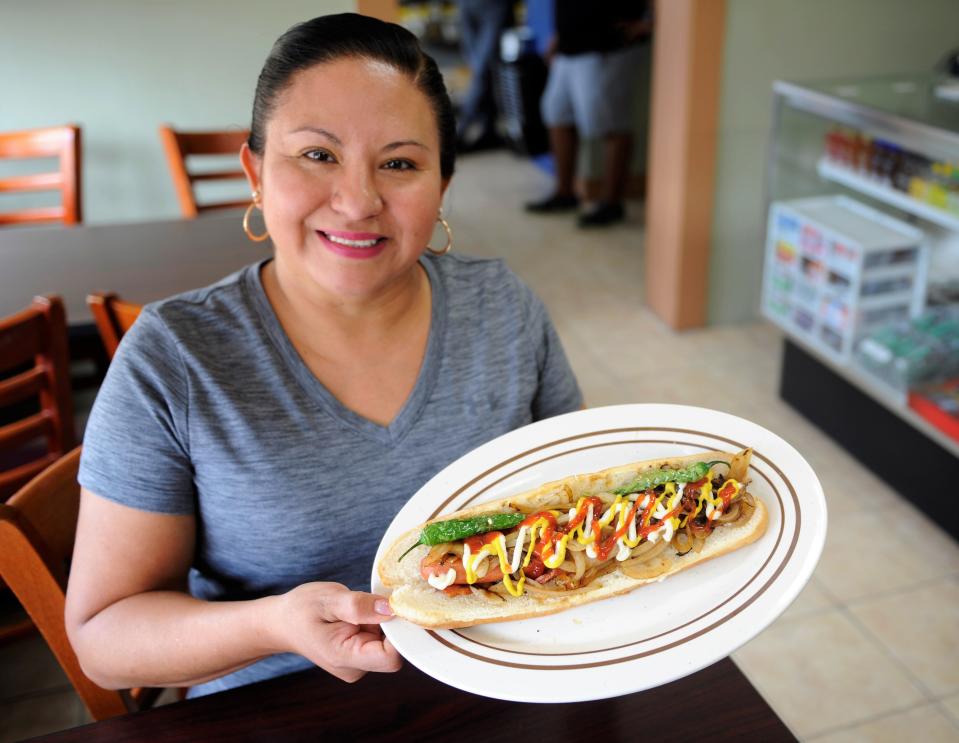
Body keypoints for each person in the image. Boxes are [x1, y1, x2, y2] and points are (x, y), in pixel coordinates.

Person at [64, 14, 582, 698]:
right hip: (277, 708)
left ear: (443, 186)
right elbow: (104, 640)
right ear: (254, 173)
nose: (357, 201)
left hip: (510, 683)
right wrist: (275, 623)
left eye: (399, 163)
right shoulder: (174, 358)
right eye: (317, 155)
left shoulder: (504, 309)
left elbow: (580, 501)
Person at [525, 1, 652, 228]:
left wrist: (649, 23)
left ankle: (612, 203)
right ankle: (565, 193)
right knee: (556, 115)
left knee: (610, 124)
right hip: (569, 46)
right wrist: (559, 36)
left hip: (607, 47)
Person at [454, 0, 513, 153]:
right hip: (467, 5)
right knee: (478, 67)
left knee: (483, 69)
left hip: (492, 6)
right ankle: (488, 131)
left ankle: (458, 133)